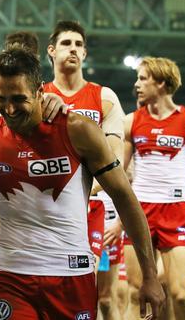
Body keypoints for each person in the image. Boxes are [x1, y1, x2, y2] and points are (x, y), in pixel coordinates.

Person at [0, 46, 164, 320]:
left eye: (19, 98)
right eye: (2, 98)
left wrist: (150, 276)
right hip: (12, 275)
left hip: (70, 275)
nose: (9, 109)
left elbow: (125, 198)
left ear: (40, 93)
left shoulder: (77, 130)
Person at [43, 20, 126, 319]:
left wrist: (86, 189)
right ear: (51, 51)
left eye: (79, 45)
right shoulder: (37, 97)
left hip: (91, 209)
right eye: (66, 44)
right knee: (49, 288)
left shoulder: (104, 97)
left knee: (87, 287)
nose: (73, 49)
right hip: (45, 208)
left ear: (86, 54)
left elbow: (115, 159)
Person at [123, 57, 185, 320]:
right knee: (137, 292)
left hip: (176, 211)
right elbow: (119, 172)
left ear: (160, 83)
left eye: (143, 78)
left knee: (180, 294)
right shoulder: (130, 122)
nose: (136, 84)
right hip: (141, 211)